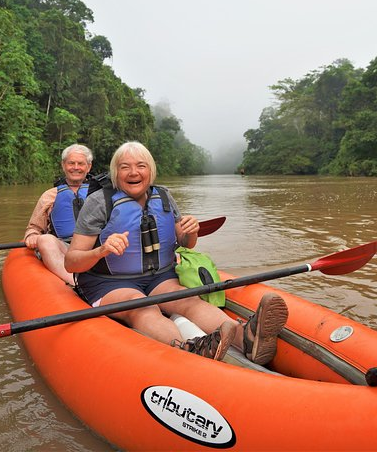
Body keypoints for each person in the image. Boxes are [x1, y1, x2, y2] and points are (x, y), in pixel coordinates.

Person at [64, 141, 288, 363]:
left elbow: (186, 243)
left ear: (151, 170)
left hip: (159, 276)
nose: (133, 172)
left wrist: (191, 232)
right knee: (142, 305)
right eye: (125, 167)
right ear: (115, 172)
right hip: (108, 282)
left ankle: (245, 338)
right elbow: (71, 263)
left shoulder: (163, 197)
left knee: (188, 300)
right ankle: (188, 348)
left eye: (141, 166)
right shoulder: (99, 202)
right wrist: (101, 251)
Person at [24, 144, 93, 285]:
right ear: (63, 165)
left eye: (81, 164)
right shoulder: (50, 195)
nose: (76, 167)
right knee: (45, 240)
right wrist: (32, 236)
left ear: (88, 167)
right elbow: (34, 227)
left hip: (95, 248)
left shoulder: (101, 194)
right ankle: (75, 284)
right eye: (71, 163)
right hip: (64, 248)